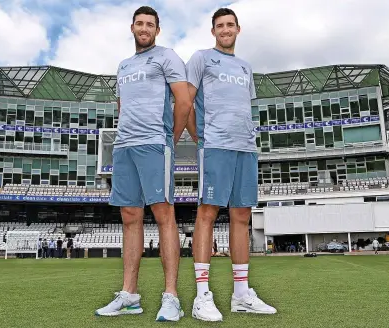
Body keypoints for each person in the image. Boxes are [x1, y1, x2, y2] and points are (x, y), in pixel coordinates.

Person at [94, 6, 191, 322]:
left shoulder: (167, 57)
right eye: (140, 23)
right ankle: (129, 295)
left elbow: (184, 100)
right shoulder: (123, 66)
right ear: (132, 27)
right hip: (124, 147)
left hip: (154, 143)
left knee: (164, 214)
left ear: (157, 30)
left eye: (150, 24)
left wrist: (170, 139)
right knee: (130, 216)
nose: (144, 28)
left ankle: (171, 297)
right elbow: (122, 107)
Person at [184, 7, 277, 322]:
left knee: (241, 216)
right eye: (219, 25)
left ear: (238, 29)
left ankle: (241, 294)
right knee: (207, 213)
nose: (225, 29)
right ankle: (202, 296)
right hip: (216, 146)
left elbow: (243, 109)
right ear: (213, 31)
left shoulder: (245, 68)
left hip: (245, 147)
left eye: (230, 25)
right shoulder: (200, 59)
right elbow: (186, 102)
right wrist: (200, 138)